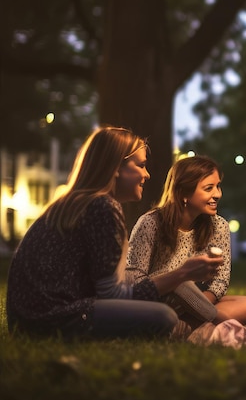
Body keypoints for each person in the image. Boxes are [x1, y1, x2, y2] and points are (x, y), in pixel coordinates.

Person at [6, 126, 221, 339]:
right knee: (164, 316)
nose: (147, 174)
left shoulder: (73, 204)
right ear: (117, 166)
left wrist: (173, 279)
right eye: (141, 165)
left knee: (165, 298)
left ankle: (201, 325)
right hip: (57, 320)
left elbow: (103, 281)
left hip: (27, 320)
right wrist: (182, 274)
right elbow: (112, 296)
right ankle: (195, 332)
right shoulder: (103, 207)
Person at [127, 155, 246, 328]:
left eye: (218, 186)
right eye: (209, 188)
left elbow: (220, 280)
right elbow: (135, 282)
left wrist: (198, 305)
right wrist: (179, 279)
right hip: (157, 301)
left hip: (198, 301)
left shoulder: (218, 226)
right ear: (184, 193)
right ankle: (219, 325)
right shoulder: (151, 223)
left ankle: (184, 327)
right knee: (182, 284)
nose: (217, 194)